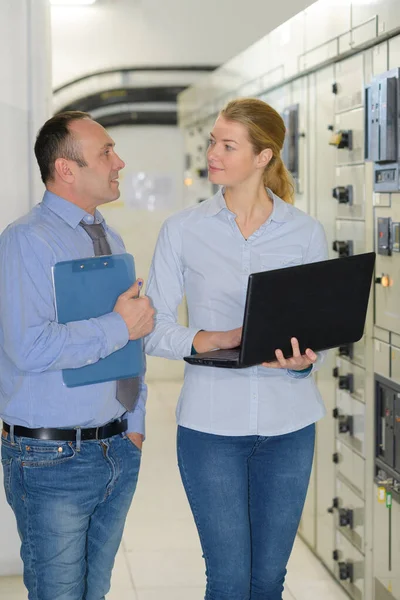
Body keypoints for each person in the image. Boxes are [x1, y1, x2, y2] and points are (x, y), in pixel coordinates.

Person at [145, 97, 328, 600]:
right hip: (211, 431)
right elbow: (151, 326)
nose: (213, 153)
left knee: (268, 581)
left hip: (290, 429)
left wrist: (300, 362)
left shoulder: (305, 233)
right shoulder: (183, 230)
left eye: (228, 145)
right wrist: (206, 339)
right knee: (228, 583)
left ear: (264, 156)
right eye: (212, 142)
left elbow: (320, 334)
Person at [0, 111, 154, 600]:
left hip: (115, 448)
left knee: (94, 592)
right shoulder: (27, 241)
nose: (119, 162)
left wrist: (136, 419)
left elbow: (132, 340)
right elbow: (29, 346)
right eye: (106, 152)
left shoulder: (112, 239)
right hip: (52, 457)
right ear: (66, 169)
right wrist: (118, 324)